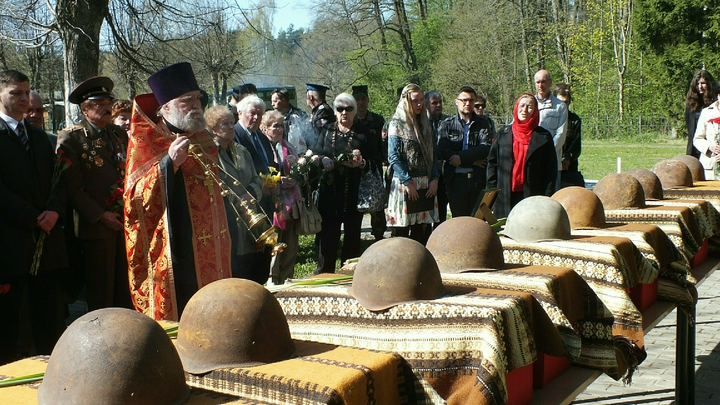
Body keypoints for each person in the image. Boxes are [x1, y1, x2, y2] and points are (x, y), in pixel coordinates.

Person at [124, 62, 231, 320]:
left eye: (198, 99)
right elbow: (134, 198)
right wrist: (168, 164)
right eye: (187, 100)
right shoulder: (145, 140)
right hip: (171, 243)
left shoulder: (201, 137)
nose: (196, 105)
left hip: (206, 239)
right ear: (166, 107)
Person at [0, 70, 67, 364]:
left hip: (46, 240)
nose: (24, 99)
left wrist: (54, 210)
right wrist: (32, 217)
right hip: (10, 242)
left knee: (48, 317)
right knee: (8, 321)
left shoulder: (40, 138)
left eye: (26, 92)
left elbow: (59, 180)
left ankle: (50, 371)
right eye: (15, 93)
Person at [57, 76, 131, 312]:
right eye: (99, 103)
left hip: (124, 224)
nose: (107, 107)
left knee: (125, 289)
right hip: (96, 228)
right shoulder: (72, 138)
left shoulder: (119, 135)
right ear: (85, 109)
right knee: (101, 293)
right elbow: (73, 188)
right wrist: (101, 216)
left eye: (109, 101)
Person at [205, 105, 267, 283]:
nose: (232, 127)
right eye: (225, 124)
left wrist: (251, 194)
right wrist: (236, 200)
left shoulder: (242, 151)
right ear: (212, 129)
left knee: (252, 272)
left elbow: (257, 179)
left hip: (250, 223)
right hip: (227, 223)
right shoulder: (209, 154)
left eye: (232, 122)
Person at [313, 93, 373, 274]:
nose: (344, 113)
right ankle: (325, 273)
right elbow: (316, 153)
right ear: (335, 111)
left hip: (353, 191)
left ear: (355, 111)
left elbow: (375, 160)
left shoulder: (364, 133)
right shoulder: (327, 130)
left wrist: (360, 162)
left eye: (348, 109)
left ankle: (349, 274)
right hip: (329, 191)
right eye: (339, 109)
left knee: (352, 236)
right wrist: (323, 160)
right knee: (328, 236)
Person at [487, 93, 557, 218]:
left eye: (529, 107)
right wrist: (491, 194)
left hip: (533, 196)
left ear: (535, 111)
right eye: (522, 105)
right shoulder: (502, 134)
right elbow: (492, 164)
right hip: (504, 196)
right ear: (516, 107)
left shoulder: (543, 137)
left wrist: (547, 197)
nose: (524, 110)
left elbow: (550, 170)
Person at [386, 84, 439, 244]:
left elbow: (433, 154)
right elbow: (393, 157)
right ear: (406, 101)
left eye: (422, 100)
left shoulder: (425, 123)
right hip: (404, 184)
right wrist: (408, 183)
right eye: (415, 101)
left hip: (425, 182)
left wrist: (435, 179)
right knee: (401, 234)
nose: (419, 104)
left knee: (421, 232)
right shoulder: (397, 124)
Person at [437, 86, 494, 217]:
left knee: (478, 220)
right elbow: (442, 149)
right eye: (464, 100)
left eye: (471, 100)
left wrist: (461, 159)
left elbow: (485, 148)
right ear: (456, 101)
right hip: (455, 181)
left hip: (477, 180)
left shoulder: (484, 124)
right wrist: (471, 161)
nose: (467, 103)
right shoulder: (446, 124)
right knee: (459, 221)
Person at [261, 110, 302, 284]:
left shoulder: (289, 147)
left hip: (290, 204)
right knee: (274, 244)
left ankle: (287, 279)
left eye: (282, 125)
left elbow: (300, 172)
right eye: (275, 126)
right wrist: (278, 181)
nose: (280, 129)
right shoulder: (262, 147)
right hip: (273, 205)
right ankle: (272, 278)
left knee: (291, 244)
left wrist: (296, 178)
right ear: (265, 128)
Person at [352, 85, 387, 241]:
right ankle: (354, 238)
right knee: (355, 205)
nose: (360, 102)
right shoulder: (350, 121)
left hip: (373, 167)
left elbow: (382, 144)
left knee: (377, 205)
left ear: (368, 100)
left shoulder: (378, 120)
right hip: (354, 168)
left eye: (363, 99)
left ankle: (378, 236)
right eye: (357, 99)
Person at [534, 69, 568, 189]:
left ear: (550, 83)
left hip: (552, 161)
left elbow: (561, 134)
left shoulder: (560, 106)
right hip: (532, 161)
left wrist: (546, 153)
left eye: (543, 82)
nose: (540, 85)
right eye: (538, 82)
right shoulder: (528, 104)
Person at [425, 90, 449, 228]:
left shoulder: (449, 122)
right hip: (426, 174)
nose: (438, 105)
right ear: (426, 104)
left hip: (443, 174)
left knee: (441, 211)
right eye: (434, 103)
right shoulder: (420, 123)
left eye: (440, 102)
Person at [553, 84, 584, 188]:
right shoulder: (550, 119)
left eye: (565, 102)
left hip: (569, 167)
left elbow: (576, 145)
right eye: (560, 102)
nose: (563, 105)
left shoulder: (574, 120)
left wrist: (567, 158)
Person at [692, 82, 720, 180]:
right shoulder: (707, 112)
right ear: (718, 95)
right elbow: (697, 139)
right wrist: (710, 147)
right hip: (710, 168)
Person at [686, 70, 716, 158]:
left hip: (711, 146)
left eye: (703, 83)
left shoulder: (715, 103)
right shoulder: (691, 103)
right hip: (694, 147)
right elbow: (689, 127)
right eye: (697, 84)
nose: (700, 87)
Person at [271, 87, 309, 153]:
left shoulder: (300, 114)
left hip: (299, 153)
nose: (272, 104)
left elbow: (308, 136)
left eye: (275, 101)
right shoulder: (272, 117)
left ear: (283, 101)